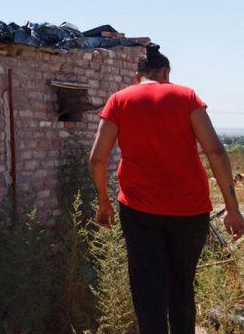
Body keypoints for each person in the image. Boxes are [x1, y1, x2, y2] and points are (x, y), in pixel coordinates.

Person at [89, 45, 244, 334]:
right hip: (190, 209)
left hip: (138, 210)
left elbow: (97, 158)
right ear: (165, 72)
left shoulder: (119, 100)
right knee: (181, 285)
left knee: (148, 289)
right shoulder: (186, 96)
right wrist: (232, 209)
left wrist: (103, 202)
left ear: (138, 76)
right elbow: (216, 151)